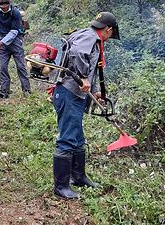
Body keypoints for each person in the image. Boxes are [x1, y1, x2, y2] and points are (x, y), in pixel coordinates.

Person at [51, 12, 120, 199]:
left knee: (78, 137)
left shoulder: (89, 36)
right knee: (67, 139)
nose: (109, 38)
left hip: (74, 93)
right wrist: (82, 77)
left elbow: (90, 69)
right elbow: (76, 54)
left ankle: (78, 176)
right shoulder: (90, 37)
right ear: (108, 30)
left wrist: (93, 89)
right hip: (69, 93)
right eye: (110, 35)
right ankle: (61, 186)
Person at [0, 0, 31, 98]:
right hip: (2, 37)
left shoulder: (15, 13)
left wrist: (0, 43)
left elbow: (14, 31)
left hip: (15, 40)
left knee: (20, 66)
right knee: (3, 67)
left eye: (6, 7)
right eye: (2, 7)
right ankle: (4, 91)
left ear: (10, 4)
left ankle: (26, 90)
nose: (4, 9)